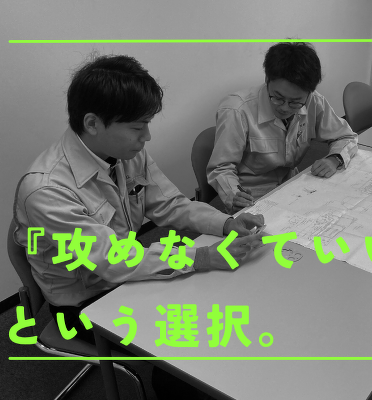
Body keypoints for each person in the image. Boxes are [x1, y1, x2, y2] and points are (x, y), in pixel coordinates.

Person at [12, 54, 265, 340]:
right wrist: (203, 257)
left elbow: (170, 204)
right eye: (137, 127)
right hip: (86, 302)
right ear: (93, 123)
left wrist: (226, 223)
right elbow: (111, 260)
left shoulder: (125, 153)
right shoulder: (47, 191)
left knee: (225, 303)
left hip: (128, 274)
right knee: (193, 336)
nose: (147, 136)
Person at [207, 42, 358, 214]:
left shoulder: (314, 101)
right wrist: (234, 195)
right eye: (278, 98)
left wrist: (334, 159)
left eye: (295, 102)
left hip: (292, 187)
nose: (285, 108)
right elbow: (221, 168)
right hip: (251, 197)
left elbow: (347, 136)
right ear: (267, 80)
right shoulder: (237, 110)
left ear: (309, 93)